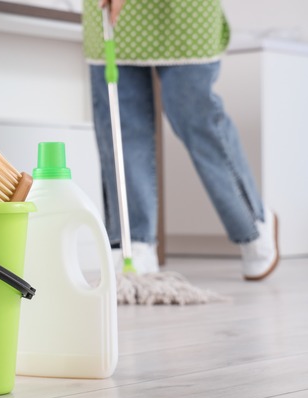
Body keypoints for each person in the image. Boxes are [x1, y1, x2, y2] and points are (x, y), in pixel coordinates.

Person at [83, 0, 279, 281]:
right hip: (113, 14)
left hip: (181, 11)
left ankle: (252, 223)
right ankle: (135, 242)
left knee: (194, 116)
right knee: (122, 125)